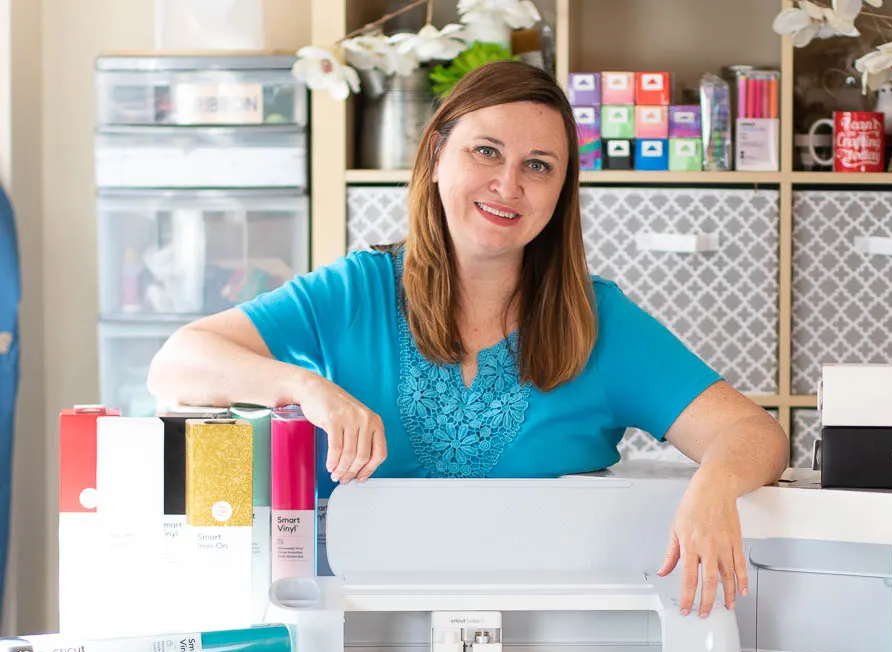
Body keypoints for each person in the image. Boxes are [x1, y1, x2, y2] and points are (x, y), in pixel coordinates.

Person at [147, 60, 789, 620]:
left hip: (544, 651)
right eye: (486, 152)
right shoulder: (355, 291)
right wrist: (304, 385)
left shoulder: (600, 322)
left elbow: (753, 435)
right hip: (347, 644)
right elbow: (177, 363)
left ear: (560, 193)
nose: (508, 185)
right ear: (434, 159)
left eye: (538, 166)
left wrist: (711, 486)